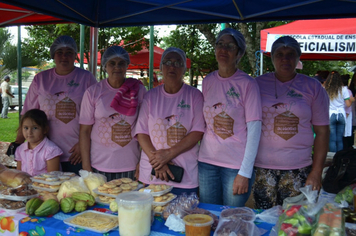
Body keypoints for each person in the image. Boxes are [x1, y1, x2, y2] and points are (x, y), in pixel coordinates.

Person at [253, 36, 329, 209]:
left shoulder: (313, 87)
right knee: (265, 218)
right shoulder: (257, 84)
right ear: (272, 58)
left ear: (298, 57)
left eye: (290, 54)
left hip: (298, 168)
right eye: (279, 54)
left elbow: (323, 132)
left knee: (293, 222)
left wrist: (316, 172)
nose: (285, 58)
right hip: (262, 167)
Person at [14, 35, 97, 175]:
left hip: (75, 153)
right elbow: (27, 113)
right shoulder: (40, 79)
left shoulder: (86, 78)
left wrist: (83, 145)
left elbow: (97, 115)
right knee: (46, 192)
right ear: (53, 54)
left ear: (75, 55)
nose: (64, 56)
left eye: (69, 52)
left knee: (74, 194)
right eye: (60, 52)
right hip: (43, 153)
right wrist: (18, 142)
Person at [198, 28, 262, 207]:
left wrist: (245, 172)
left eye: (230, 46)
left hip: (236, 166)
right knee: (209, 215)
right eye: (220, 44)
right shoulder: (208, 81)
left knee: (231, 220)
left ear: (239, 53)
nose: (223, 50)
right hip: (207, 163)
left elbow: (255, 130)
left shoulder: (248, 84)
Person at [134, 47, 204, 196]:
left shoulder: (194, 95)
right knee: (150, 217)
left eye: (178, 62)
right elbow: (141, 133)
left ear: (185, 68)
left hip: (185, 176)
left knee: (184, 218)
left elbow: (197, 132)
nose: (172, 66)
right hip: (153, 174)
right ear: (161, 67)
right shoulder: (150, 96)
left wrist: (168, 154)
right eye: (167, 62)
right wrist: (158, 161)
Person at [80, 46, 146, 181]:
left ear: (127, 65)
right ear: (105, 66)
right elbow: (85, 131)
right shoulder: (93, 92)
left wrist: (142, 162)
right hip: (99, 163)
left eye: (121, 63)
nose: (117, 67)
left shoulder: (138, 90)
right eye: (112, 63)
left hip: (130, 163)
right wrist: (86, 164)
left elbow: (145, 129)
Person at [15, 109, 62, 176]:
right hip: (25, 185)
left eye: (35, 128)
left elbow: (53, 178)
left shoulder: (51, 150)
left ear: (45, 130)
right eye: (26, 128)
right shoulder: (20, 149)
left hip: (45, 186)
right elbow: (19, 175)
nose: (29, 132)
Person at [325, 71, 351, 152]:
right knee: (339, 139)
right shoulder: (344, 89)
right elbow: (348, 104)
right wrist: (351, 100)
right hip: (341, 115)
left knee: (332, 139)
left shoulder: (325, 89)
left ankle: (332, 159)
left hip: (330, 114)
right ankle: (339, 158)